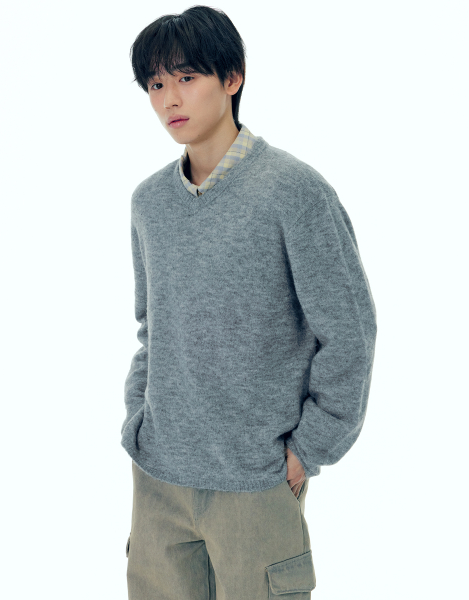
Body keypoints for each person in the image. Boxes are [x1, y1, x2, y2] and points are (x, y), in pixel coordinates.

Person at [121, 5, 377, 599]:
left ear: (232, 77)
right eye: (155, 85)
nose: (169, 99)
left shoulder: (294, 191)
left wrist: (308, 450)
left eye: (187, 77)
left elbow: (350, 333)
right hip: (158, 479)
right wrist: (140, 421)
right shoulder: (149, 202)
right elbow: (152, 328)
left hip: (257, 482)